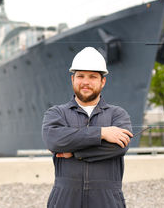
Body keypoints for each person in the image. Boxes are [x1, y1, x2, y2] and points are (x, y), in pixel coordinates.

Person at [42, 47, 133, 208]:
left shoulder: (117, 115)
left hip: (107, 201)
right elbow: (53, 140)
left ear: (102, 81)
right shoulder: (56, 113)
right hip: (65, 201)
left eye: (92, 76)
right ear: (72, 79)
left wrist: (74, 151)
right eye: (81, 76)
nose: (86, 82)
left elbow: (118, 147)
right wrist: (101, 133)